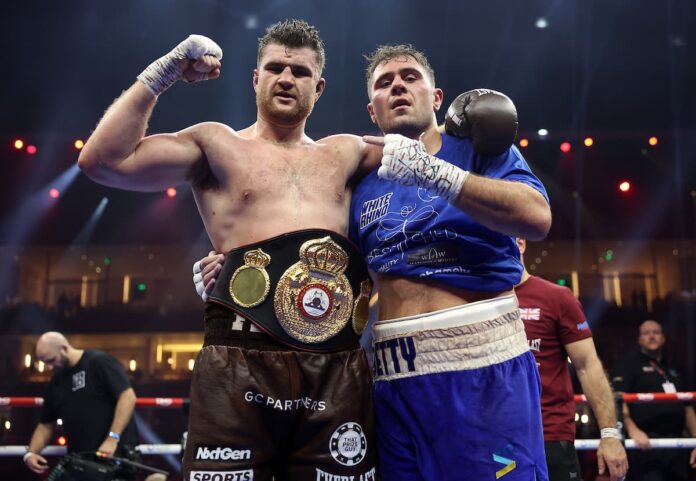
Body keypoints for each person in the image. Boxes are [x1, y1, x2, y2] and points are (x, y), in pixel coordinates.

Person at [195, 43, 553, 480]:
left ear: (436, 98)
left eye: (410, 77)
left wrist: (435, 172)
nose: (398, 86)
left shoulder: (475, 149)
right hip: (389, 378)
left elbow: (536, 218)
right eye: (385, 83)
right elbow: (318, 263)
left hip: (480, 369)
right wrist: (233, 270)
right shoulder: (364, 181)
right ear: (373, 110)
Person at [515, 238, 628, 481]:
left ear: (520, 243)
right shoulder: (480, 300)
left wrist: (609, 434)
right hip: (498, 438)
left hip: (550, 435)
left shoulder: (555, 297)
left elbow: (588, 365)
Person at [23, 332, 139, 476]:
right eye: (46, 363)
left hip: (113, 457)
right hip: (80, 463)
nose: (50, 367)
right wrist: (31, 453)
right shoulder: (56, 382)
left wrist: (112, 439)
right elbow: (46, 423)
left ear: (64, 348)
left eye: (52, 360)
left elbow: (127, 396)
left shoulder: (98, 362)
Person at [612, 319, 696, 481]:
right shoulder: (628, 366)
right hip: (645, 444)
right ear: (639, 339)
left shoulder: (673, 370)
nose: (651, 336)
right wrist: (633, 430)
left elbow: (686, 407)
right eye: (646, 333)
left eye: (655, 332)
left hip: (677, 445)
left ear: (663, 338)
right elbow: (618, 400)